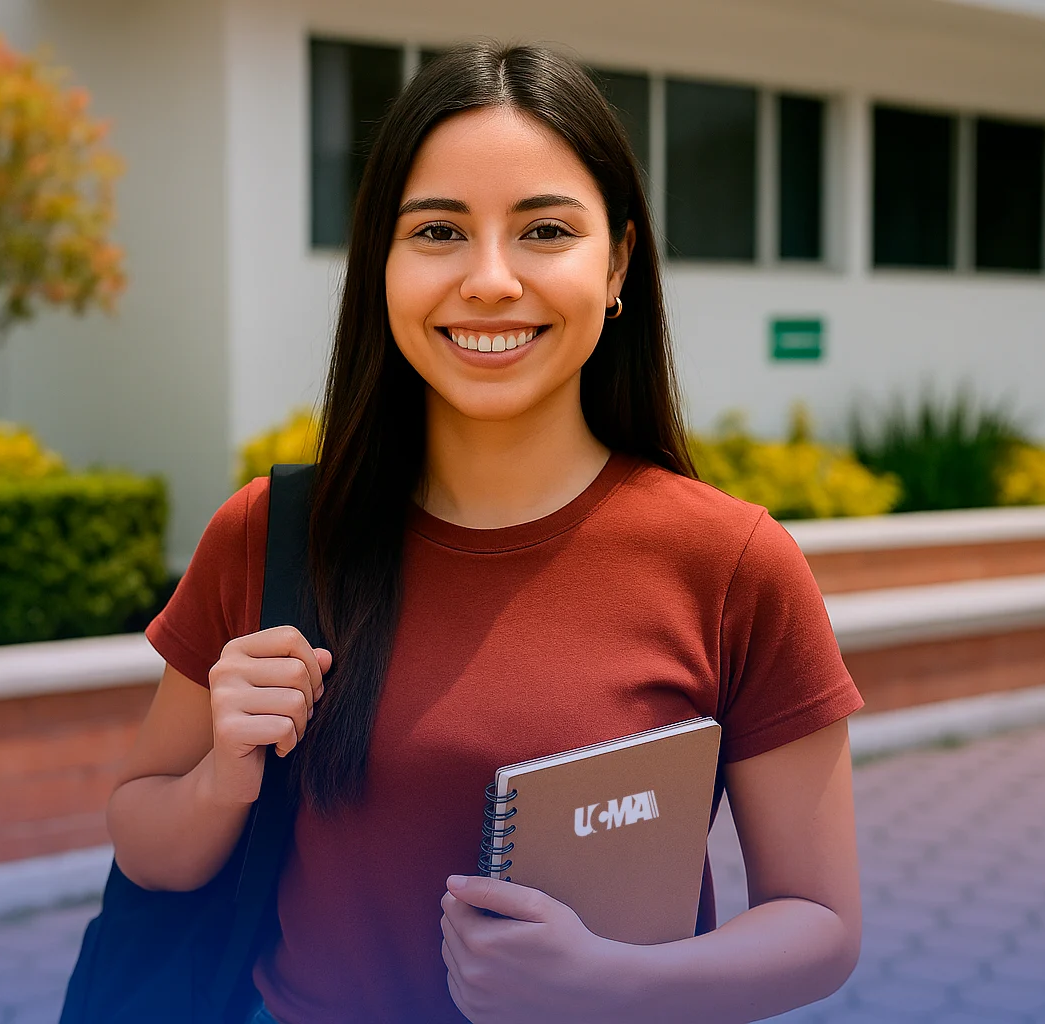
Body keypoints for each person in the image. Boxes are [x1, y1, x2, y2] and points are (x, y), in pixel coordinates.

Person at [107, 41, 864, 1024]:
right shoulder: (271, 534)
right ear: (382, 260)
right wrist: (223, 775)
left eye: (545, 229)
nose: (492, 281)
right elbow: (142, 838)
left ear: (618, 262)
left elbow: (819, 920)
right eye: (438, 232)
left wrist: (615, 986)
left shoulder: (733, 564)